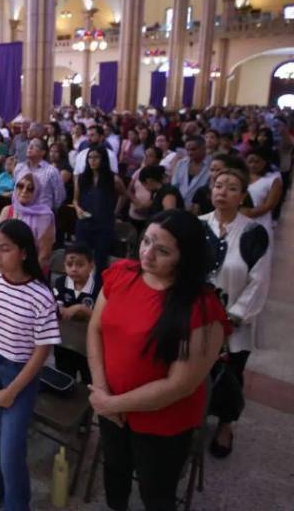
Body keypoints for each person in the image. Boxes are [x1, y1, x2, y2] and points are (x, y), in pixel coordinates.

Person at [87, 210, 230, 511]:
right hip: (110, 404)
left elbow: (179, 385)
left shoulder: (201, 308)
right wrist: (102, 392)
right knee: (115, 471)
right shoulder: (122, 274)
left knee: (156, 491)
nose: (147, 254)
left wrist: (113, 404)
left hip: (161, 422)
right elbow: (96, 329)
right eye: (146, 241)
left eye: (162, 250)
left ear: (184, 257)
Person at [0, 219, 61, 511]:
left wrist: (12, 390)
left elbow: (41, 351)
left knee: (11, 450)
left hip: (20, 374)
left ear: (24, 253)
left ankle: (16, 505)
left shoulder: (40, 295)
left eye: (5, 249)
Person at [200, 168, 271, 459]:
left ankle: (226, 424)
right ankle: (193, 413)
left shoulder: (254, 233)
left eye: (231, 188)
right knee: (195, 370)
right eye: (218, 185)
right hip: (197, 319)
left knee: (230, 375)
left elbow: (259, 281)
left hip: (233, 323)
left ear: (242, 196)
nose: (223, 192)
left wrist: (232, 318)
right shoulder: (196, 225)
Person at [73, 145, 126, 274]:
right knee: (79, 258)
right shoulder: (82, 178)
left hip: (104, 225)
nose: (92, 160)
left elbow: (124, 195)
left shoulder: (113, 179)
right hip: (84, 223)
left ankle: (97, 290)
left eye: (96, 157)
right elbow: (75, 200)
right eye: (90, 157)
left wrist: (115, 212)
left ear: (103, 159)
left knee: (99, 261)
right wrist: (78, 209)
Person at [53, 243, 100, 384]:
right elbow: (57, 311)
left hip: (89, 344)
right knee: (65, 378)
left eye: (80, 265)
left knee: (89, 380)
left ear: (91, 265)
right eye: (69, 264)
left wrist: (81, 309)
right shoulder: (60, 283)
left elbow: (102, 320)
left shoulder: (100, 287)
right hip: (64, 342)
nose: (74, 269)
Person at [0, 170, 55, 271]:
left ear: (37, 192)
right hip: (4, 267)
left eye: (30, 188)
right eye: (20, 186)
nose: (24, 191)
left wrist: (26, 277)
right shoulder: (7, 211)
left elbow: (44, 254)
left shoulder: (45, 216)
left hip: (32, 269)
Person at [14, 138, 66, 210]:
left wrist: (48, 211)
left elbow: (59, 196)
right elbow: (15, 191)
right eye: (29, 144)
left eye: (35, 145)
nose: (30, 147)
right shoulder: (19, 168)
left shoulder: (51, 171)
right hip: (20, 212)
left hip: (41, 214)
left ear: (43, 152)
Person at [242, 147, 282, 240]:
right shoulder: (240, 177)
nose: (253, 165)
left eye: (257, 162)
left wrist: (251, 213)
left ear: (264, 162)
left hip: (261, 221)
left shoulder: (272, 180)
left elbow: (270, 205)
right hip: (239, 219)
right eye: (250, 161)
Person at [171, 135, 211, 210]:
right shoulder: (181, 163)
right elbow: (174, 186)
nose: (190, 153)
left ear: (204, 148)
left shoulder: (212, 165)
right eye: (187, 150)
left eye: (193, 149)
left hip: (202, 209)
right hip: (180, 208)